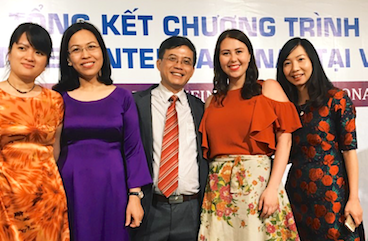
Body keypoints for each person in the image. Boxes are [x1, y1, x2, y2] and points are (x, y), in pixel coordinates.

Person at [0, 23, 70, 240]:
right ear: (9, 52)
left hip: (45, 204)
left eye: (39, 52)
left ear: (45, 62)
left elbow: (53, 154)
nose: (30, 57)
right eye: (23, 48)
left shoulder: (54, 101)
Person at [198, 29, 301, 241]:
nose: (233, 58)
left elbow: (285, 139)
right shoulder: (211, 102)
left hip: (259, 187)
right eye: (226, 53)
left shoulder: (268, 88)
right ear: (218, 59)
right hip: (219, 191)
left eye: (239, 51)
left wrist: (272, 188)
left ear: (249, 56)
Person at [53, 21, 152, 240]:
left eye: (91, 47)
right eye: (76, 50)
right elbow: (49, 150)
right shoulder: (57, 99)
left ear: (102, 52)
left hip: (113, 188)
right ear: (68, 59)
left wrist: (135, 196)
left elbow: (133, 150)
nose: (85, 55)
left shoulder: (123, 97)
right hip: (70, 188)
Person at [276, 37, 365, 241]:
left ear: (313, 62)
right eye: (287, 63)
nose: (295, 68)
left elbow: (349, 151)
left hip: (333, 196)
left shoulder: (336, 99)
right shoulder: (285, 107)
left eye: (300, 60)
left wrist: (353, 199)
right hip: (296, 197)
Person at [131, 36, 209, 241]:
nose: (179, 66)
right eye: (172, 59)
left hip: (191, 211)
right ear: (159, 63)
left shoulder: (201, 108)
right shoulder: (135, 103)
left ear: (192, 70)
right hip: (149, 208)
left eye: (186, 61)